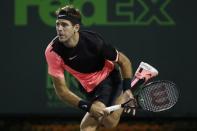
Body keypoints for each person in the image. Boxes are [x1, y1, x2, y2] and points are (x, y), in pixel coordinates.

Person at [45, 5, 157, 131]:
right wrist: (88, 106)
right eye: (57, 24)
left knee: (87, 127)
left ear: (76, 27)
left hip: (107, 79)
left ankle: (129, 88)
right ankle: (137, 81)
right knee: (110, 122)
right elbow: (62, 91)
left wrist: (126, 89)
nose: (59, 29)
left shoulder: (94, 42)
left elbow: (124, 61)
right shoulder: (53, 52)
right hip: (87, 86)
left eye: (64, 25)